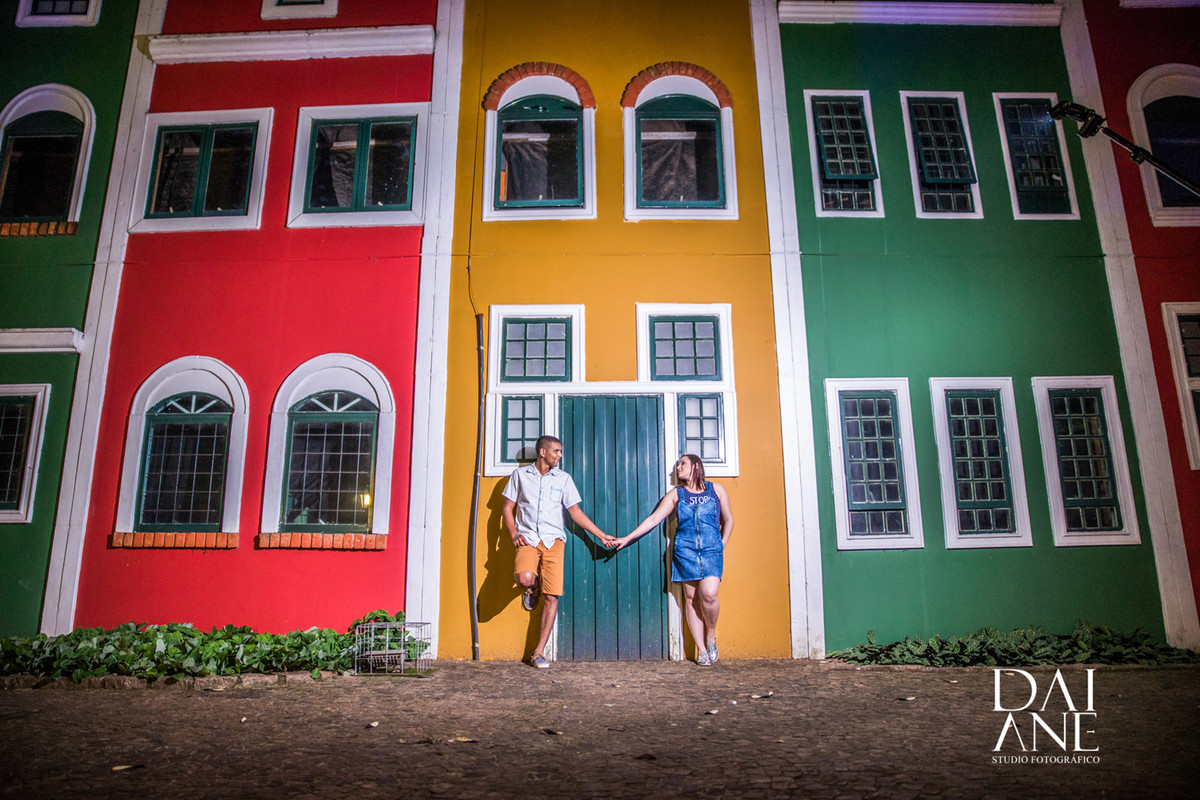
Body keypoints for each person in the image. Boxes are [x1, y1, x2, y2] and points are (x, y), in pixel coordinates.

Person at [502, 435, 614, 669]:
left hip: (554, 541)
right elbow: (507, 508)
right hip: (529, 538)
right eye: (556, 451)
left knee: (552, 597)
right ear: (543, 452)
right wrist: (513, 534)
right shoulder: (520, 476)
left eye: (560, 451)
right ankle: (533, 587)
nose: (560, 456)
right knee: (524, 578)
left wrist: (601, 535)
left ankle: (538, 652)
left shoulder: (563, 479)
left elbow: (576, 513)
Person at [613, 454, 733, 665]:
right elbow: (653, 519)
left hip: (711, 551)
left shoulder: (717, 490)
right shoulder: (677, 494)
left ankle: (711, 634)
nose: (678, 467)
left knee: (709, 595)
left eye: (682, 463)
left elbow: (729, 519)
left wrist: (721, 544)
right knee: (691, 599)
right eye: (677, 464)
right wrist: (627, 538)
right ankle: (701, 650)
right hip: (685, 551)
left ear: (696, 466)